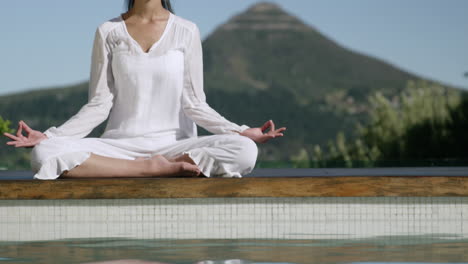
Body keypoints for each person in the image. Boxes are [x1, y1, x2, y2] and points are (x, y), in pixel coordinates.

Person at [3, 0, 286, 180]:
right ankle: (152, 169)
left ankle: (167, 164)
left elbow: (194, 103)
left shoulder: (186, 31)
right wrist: (50, 136)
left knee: (244, 151)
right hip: (120, 147)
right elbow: (100, 104)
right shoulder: (109, 31)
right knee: (44, 154)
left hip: (176, 147)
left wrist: (239, 130)